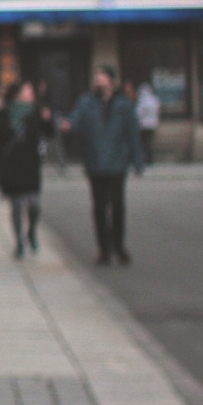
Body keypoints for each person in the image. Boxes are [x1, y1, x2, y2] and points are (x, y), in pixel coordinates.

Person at [64, 65, 144, 265]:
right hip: (95, 162)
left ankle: (118, 245)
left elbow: (132, 133)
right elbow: (76, 119)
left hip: (117, 162)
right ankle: (104, 249)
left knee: (117, 206)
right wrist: (69, 124)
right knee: (99, 208)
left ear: (111, 80)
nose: (98, 80)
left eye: (102, 76)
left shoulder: (123, 103)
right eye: (97, 76)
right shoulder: (87, 101)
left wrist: (138, 161)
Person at [0, 80, 54, 258]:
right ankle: (19, 242)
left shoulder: (36, 112)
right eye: (27, 90)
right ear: (17, 94)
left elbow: (49, 132)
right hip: (11, 165)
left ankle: (31, 231)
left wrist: (48, 120)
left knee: (34, 204)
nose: (31, 93)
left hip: (30, 164)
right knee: (16, 205)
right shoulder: (4, 114)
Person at [133, 80, 160, 165]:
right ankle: (150, 158)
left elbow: (138, 113)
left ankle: (146, 158)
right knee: (149, 143)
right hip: (152, 125)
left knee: (144, 143)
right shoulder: (154, 100)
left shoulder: (142, 101)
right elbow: (157, 111)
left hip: (143, 125)